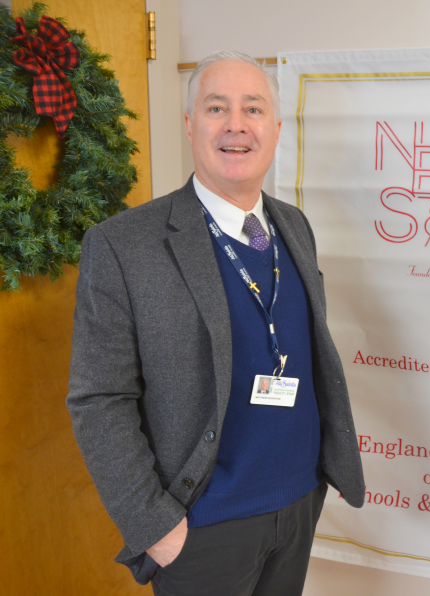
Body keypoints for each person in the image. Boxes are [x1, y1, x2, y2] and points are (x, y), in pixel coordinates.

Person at [67, 51, 365, 595]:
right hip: (201, 525)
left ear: (275, 129)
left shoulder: (292, 225)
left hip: (297, 505)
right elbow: (98, 398)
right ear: (189, 125)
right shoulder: (123, 244)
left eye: (252, 109)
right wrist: (154, 525)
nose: (236, 125)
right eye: (216, 108)